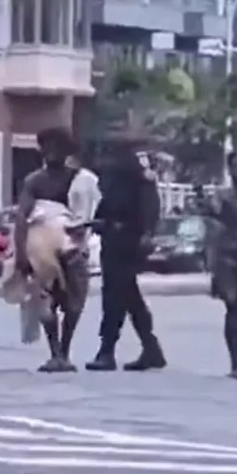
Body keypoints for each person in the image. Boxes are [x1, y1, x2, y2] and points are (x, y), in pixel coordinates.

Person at [14, 127, 92, 373]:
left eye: (56, 147)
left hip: (73, 248)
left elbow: (90, 212)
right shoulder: (35, 181)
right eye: (46, 147)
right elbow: (21, 218)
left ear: (67, 151)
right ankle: (55, 353)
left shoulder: (81, 181)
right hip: (41, 249)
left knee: (74, 303)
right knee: (44, 301)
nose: (50, 152)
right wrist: (21, 254)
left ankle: (64, 353)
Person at [86, 150, 166, 371]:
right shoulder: (115, 182)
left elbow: (148, 213)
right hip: (112, 242)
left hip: (127, 243)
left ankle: (107, 350)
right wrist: (98, 224)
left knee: (115, 298)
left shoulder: (139, 183)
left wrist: (146, 235)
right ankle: (151, 349)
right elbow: (104, 212)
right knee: (129, 296)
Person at [199, 151, 237, 380]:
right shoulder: (223, 197)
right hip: (230, 256)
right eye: (236, 166)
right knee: (233, 307)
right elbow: (212, 223)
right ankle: (235, 364)